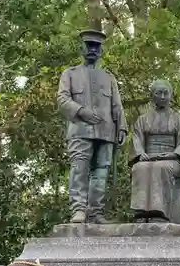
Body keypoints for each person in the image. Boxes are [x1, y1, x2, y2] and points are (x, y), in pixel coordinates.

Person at [57, 29, 128, 224]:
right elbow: (62, 100)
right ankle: (78, 209)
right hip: (80, 130)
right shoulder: (69, 74)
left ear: (101, 51)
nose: (93, 50)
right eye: (89, 45)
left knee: (101, 173)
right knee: (79, 168)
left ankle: (96, 212)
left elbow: (117, 105)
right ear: (82, 48)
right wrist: (81, 111)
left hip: (106, 132)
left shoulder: (109, 78)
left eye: (96, 47)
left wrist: (122, 127)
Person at [128, 80, 180, 224]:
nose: (163, 96)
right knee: (139, 167)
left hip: (172, 159)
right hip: (149, 157)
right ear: (152, 96)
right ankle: (141, 212)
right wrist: (140, 153)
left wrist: (175, 154)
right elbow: (136, 139)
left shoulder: (179, 119)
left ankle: (160, 213)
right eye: (159, 93)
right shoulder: (143, 119)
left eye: (166, 93)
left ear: (171, 95)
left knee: (162, 167)